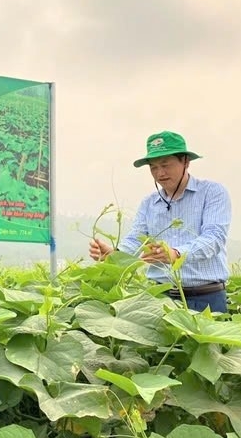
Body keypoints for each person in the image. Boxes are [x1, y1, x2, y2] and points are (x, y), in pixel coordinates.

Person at [89, 131, 231, 312]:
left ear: (185, 162)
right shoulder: (149, 203)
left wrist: (176, 254)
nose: (160, 173)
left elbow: (214, 238)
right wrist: (114, 255)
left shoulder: (212, 192)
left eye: (166, 165)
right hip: (160, 299)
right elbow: (136, 239)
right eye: (153, 167)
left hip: (206, 298)